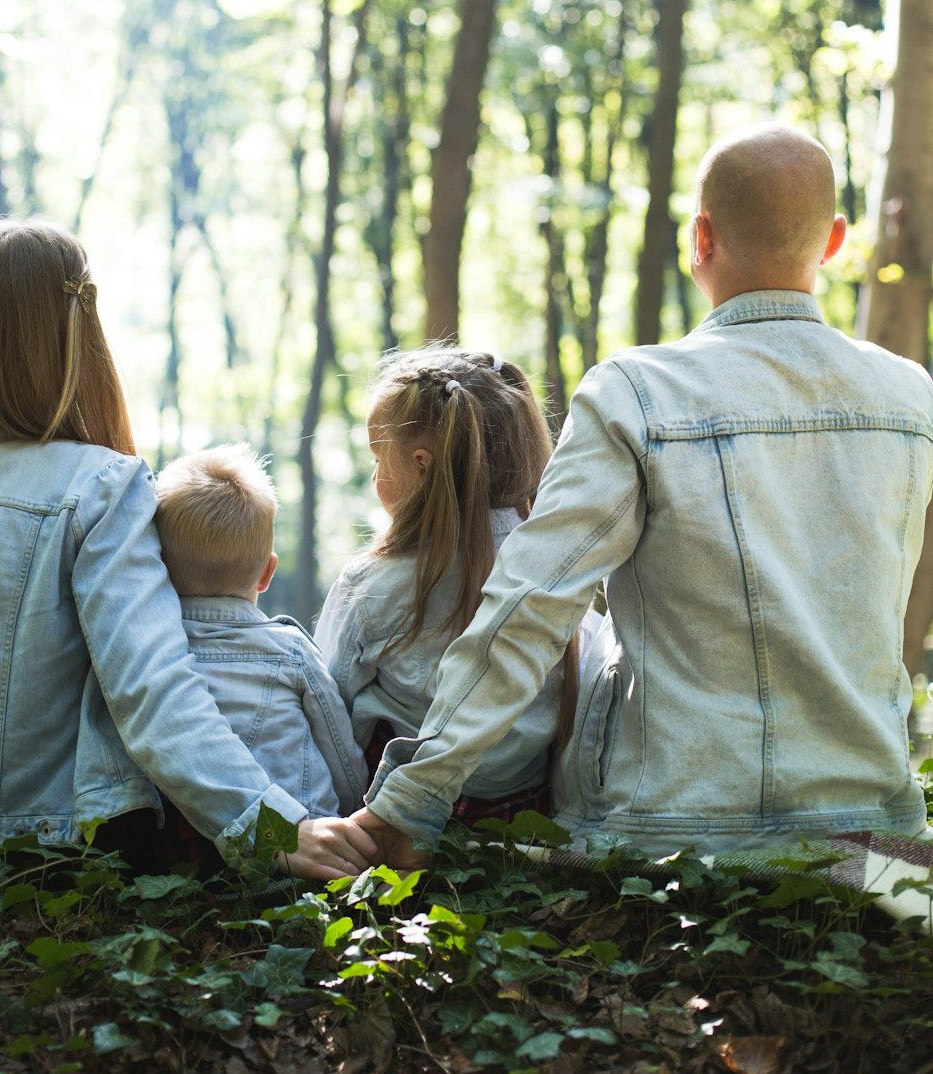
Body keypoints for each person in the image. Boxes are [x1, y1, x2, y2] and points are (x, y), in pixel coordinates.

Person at [351, 123, 933, 866]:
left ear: (700, 238)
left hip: (666, 830)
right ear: (834, 242)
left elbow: (530, 605)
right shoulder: (911, 397)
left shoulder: (637, 393)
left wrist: (413, 799)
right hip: (872, 836)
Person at [0, 218, 376, 881]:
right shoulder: (100, 485)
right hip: (64, 858)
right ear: (77, 334)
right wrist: (271, 825)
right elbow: (153, 689)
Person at [314, 347, 603, 824]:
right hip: (525, 818)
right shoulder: (561, 577)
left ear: (422, 465)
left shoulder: (371, 585)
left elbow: (329, 710)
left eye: (378, 459)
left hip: (392, 819)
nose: (373, 476)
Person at [153, 442, 366, 822]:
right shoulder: (290, 651)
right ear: (267, 574)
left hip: (188, 847)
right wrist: (352, 813)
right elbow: (340, 754)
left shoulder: (148, 653)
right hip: (302, 837)